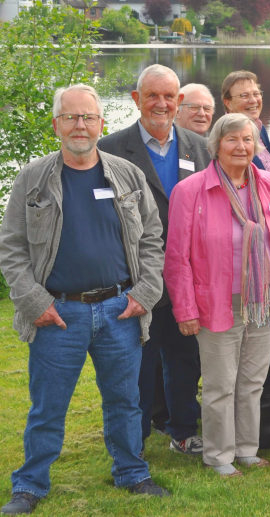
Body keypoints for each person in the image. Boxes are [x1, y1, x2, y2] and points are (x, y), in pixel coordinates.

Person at [0, 84, 169, 515]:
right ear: (56, 124)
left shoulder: (126, 175)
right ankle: (31, 484)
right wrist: (34, 302)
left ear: (101, 123)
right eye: (71, 117)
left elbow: (152, 237)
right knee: (48, 406)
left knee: (125, 400)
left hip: (120, 310)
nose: (80, 125)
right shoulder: (32, 178)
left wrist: (145, 293)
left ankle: (131, 471)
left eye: (88, 117)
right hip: (58, 313)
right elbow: (12, 247)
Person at [98, 64, 211, 455]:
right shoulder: (110, 149)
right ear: (136, 99)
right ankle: (136, 439)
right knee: (137, 365)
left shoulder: (200, 146)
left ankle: (183, 430)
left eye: (169, 96)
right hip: (135, 277)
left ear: (179, 101)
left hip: (188, 278)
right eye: (152, 95)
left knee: (185, 359)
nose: (161, 104)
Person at [164, 113, 270, 475]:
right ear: (216, 145)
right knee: (219, 384)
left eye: (247, 140)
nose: (241, 147)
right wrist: (185, 308)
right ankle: (219, 455)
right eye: (232, 139)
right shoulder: (190, 190)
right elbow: (176, 257)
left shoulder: (267, 183)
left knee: (251, 381)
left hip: (260, 299)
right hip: (215, 301)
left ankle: (247, 449)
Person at [221, 70, 270, 172]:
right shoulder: (224, 136)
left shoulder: (259, 128)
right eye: (244, 95)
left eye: (256, 94)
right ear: (228, 103)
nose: (253, 100)